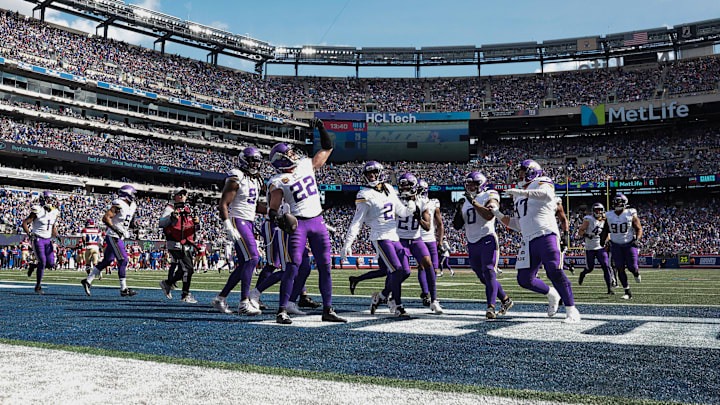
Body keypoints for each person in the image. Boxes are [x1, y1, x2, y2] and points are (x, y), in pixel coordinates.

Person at [267, 119, 345, 324]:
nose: (294, 155)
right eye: (289, 154)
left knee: (325, 266)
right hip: (298, 224)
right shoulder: (278, 180)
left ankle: (328, 309)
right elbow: (272, 209)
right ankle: (282, 310)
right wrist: (279, 219)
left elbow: (328, 147)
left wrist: (321, 128)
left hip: (317, 222)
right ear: (281, 160)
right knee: (293, 266)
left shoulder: (304, 164)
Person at [492, 160, 580, 323]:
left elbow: (547, 195)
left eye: (523, 171)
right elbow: (517, 224)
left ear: (532, 171)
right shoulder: (519, 197)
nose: (520, 174)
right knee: (524, 279)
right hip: (529, 240)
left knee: (554, 270)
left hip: (547, 234)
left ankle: (571, 310)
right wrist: (497, 214)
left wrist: (521, 192)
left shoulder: (542, 182)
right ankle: (552, 293)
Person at [342, 161, 418, 318]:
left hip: (394, 236)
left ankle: (382, 296)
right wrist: (348, 242)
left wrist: (411, 203)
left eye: (374, 172)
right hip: (380, 237)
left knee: (405, 271)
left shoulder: (389, 188)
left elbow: (402, 212)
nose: (371, 176)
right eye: (368, 173)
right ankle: (397, 306)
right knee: (395, 269)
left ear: (381, 173)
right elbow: (357, 221)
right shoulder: (364, 194)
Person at [211, 147, 266, 315]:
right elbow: (223, 203)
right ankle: (244, 302)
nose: (255, 164)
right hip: (237, 220)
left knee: (244, 264)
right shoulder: (237, 175)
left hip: (249, 221)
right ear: (244, 160)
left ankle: (220, 299)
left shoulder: (257, 180)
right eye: (252, 160)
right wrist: (227, 224)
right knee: (253, 258)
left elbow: (254, 205)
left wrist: (273, 210)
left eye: (258, 160)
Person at [453, 172, 513, 319]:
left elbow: (489, 215)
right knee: (482, 277)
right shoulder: (465, 200)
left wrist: (473, 202)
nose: (469, 186)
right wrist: (458, 211)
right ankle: (505, 300)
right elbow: (456, 226)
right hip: (472, 242)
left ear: (481, 184)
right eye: (468, 184)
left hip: (487, 238)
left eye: (473, 183)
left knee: (489, 271)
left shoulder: (489, 194)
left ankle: (490, 307)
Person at [395, 173, 443, 314]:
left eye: (407, 185)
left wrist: (418, 217)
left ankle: (434, 301)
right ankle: (396, 303)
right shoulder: (395, 200)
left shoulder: (422, 202)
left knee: (429, 265)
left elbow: (428, 226)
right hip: (399, 239)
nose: (403, 187)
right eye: (402, 185)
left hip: (416, 239)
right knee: (402, 271)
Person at [81, 185, 139, 297]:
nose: (134, 196)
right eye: (132, 194)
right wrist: (116, 229)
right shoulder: (119, 203)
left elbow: (129, 220)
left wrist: (134, 226)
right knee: (123, 260)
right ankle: (123, 289)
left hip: (119, 236)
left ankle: (87, 281)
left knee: (107, 260)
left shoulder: (132, 206)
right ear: (126, 194)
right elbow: (106, 218)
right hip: (113, 236)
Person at [158, 188, 201, 303]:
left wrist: (197, 223)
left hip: (186, 243)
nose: (182, 196)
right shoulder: (170, 208)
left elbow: (193, 227)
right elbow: (161, 223)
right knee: (188, 268)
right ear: (175, 196)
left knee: (184, 269)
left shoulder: (188, 209)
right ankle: (185, 294)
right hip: (175, 243)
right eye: (180, 194)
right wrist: (171, 217)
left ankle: (168, 283)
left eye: (184, 194)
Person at [605, 193, 643, 300]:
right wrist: (603, 241)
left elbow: (639, 228)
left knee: (632, 267)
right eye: (615, 202)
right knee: (620, 268)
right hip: (616, 245)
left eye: (619, 202)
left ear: (625, 203)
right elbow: (605, 229)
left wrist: (637, 240)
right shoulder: (609, 215)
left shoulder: (630, 213)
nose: (617, 204)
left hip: (629, 244)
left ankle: (636, 273)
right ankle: (627, 291)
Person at [22, 191, 60, 294]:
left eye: (51, 199)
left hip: (48, 240)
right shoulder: (38, 210)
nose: (50, 201)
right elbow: (25, 223)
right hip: (38, 238)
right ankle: (38, 286)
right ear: (43, 199)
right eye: (48, 199)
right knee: (42, 262)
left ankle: (33, 266)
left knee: (51, 264)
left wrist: (57, 235)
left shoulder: (55, 212)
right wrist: (29, 233)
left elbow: (53, 226)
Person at [417, 180, 445, 309]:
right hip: (418, 238)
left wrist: (439, 241)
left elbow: (439, 224)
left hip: (430, 238)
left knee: (433, 269)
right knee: (423, 267)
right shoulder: (411, 202)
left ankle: (429, 294)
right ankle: (426, 294)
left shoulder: (433, 203)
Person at [577, 203, 614, 294]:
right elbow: (580, 231)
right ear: (593, 211)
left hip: (600, 247)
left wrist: (607, 240)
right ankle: (583, 274)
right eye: (597, 210)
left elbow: (607, 234)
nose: (599, 212)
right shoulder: (588, 219)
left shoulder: (605, 221)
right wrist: (586, 234)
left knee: (605, 266)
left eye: (600, 210)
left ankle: (609, 288)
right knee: (590, 268)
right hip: (590, 248)